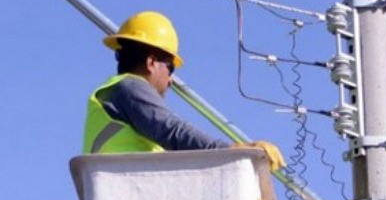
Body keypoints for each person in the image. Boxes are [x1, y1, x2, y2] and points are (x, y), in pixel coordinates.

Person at [83, 11, 285, 168]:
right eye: (170, 68)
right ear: (151, 63)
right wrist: (232, 151)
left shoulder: (115, 94)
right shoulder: (129, 88)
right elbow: (172, 131)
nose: (171, 80)